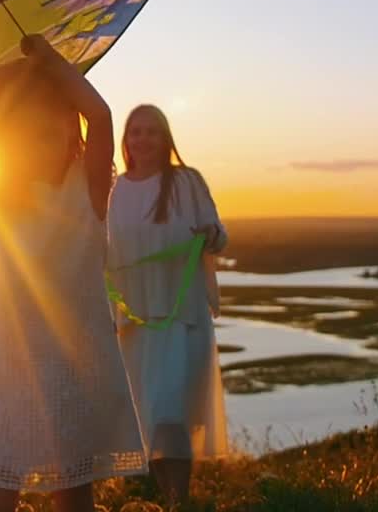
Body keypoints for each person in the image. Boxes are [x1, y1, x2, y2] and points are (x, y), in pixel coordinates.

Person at [0, 36, 146, 512]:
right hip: (10, 360)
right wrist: (19, 74)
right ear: (5, 143)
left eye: (47, 133)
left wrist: (51, 65)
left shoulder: (89, 188)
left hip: (73, 362)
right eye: (20, 135)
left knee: (74, 480)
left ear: (70, 133)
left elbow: (100, 115)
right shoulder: (4, 191)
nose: (34, 144)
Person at [106, 104, 228, 505]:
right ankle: (166, 500)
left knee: (170, 415)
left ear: (166, 138)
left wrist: (210, 234)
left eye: (151, 131)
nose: (142, 139)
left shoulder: (187, 182)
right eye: (135, 131)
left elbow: (218, 234)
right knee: (149, 420)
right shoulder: (115, 189)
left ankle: (178, 500)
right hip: (135, 323)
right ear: (126, 140)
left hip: (180, 318)